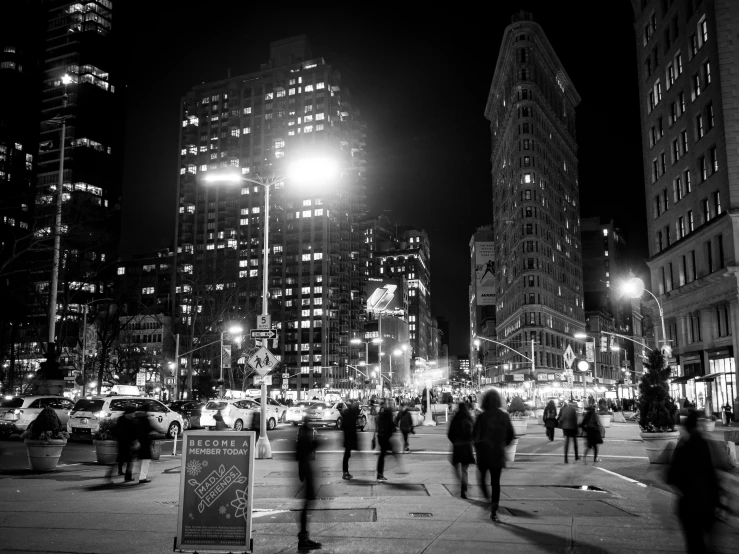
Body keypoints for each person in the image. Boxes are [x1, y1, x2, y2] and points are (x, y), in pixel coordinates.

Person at [668, 410, 720, 554]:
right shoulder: (707, 445)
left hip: (688, 504)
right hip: (708, 502)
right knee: (709, 541)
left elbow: (671, 477)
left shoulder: (682, 448)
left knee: (694, 543)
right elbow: (714, 473)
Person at [473, 390, 515, 522]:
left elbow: (475, 436)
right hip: (497, 454)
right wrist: (502, 445)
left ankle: (487, 500)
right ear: (498, 401)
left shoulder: (481, 417)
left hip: (484, 454)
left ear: (484, 401)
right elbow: (511, 436)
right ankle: (494, 510)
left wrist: (479, 447)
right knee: (495, 483)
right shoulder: (504, 416)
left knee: (481, 480)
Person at [296, 418, 321, 550]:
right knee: (307, 503)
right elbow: (305, 450)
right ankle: (303, 538)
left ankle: (303, 536)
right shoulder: (305, 435)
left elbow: (300, 452)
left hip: (305, 469)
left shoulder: (302, 434)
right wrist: (316, 443)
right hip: (306, 470)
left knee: (308, 503)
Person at [448, 402, 475, 499]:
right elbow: (474, 433)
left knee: (455, 467)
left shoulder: (455, 418)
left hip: (457, 446)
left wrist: (454, 441)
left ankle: (461, 483)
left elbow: (450, 433)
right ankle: (464, 487)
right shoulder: (469, 418)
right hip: (467, 447)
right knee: (465, 469)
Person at [374, 401, 397, 481]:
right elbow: (391, 424)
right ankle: (379, 474)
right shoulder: (387, 414)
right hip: (384, 436)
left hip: (381, 436)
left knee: (383, 454)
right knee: (382, 455)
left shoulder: (380, 414)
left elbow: (378, 425)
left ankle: (380, 474)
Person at [132, 409, 153, 484]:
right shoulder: (145, 420)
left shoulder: (136, 419)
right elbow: (148, 429)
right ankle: (142, 477)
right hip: (144, 443)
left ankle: (137, 476)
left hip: (139, 442)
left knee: (139, 461)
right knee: (146, 461)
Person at [341, 401, 359, 480]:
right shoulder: (351, 413)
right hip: (349, 436)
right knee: (347, 455)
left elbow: (343, 425)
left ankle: (346, 472)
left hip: (348, 436)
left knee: (347, 454)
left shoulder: (347, 413)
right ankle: (345, 472)